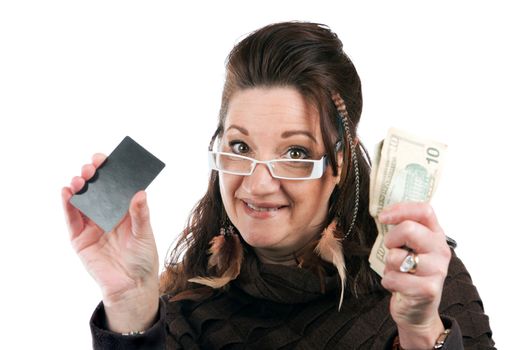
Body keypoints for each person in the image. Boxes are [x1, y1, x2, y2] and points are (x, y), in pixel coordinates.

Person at [62, 22, 495, 349]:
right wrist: (130, 299)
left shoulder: (423, 282)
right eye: (239, 146)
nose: (258, 183)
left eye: (296, 154)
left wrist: (420, 330)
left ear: (339, 162)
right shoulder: (185, 304)